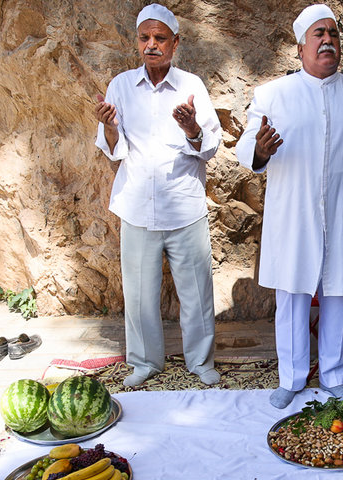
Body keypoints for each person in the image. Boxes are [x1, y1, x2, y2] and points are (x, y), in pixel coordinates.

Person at [236, 4, 343, 409]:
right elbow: (245, 147)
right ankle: (290, 377)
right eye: (318, 34)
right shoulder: (272, 96)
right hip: (293, 215)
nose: (327, 40)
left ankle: (333, 374)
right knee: (291, 295)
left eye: (333, 33)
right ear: (300, 47)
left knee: (337, 294)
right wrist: (258, 150)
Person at [94, 4, 221, 388]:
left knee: (197, 294)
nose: (151, 45)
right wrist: (110, 127)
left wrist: (192, 127)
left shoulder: (191, 86)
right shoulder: (120, 86)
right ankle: (145, 363)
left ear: (175, 43)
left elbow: (210, 146)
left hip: (183, 207)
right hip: (136, 207)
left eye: (160, 38)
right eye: (145, 38)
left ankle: (200, 363)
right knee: (139, 295)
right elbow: (113, 148)